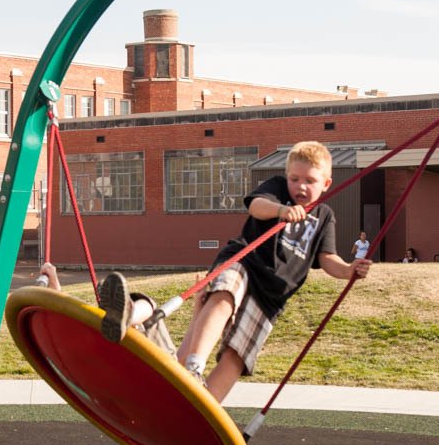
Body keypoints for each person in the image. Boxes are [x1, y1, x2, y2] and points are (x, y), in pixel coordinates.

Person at [99, 140, 370, 403]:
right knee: (225, 295)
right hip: (246, 263)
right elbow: (255, 206)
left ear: (326, 184)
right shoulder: (278, 189)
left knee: (237, 355)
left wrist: (348, 270)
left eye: (310, 181)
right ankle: (192, 366)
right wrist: (282, 210)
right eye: (294, 178)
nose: (300, 186)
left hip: (271, 297)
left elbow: (326, 257)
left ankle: (205, 408)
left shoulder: (324, 216)